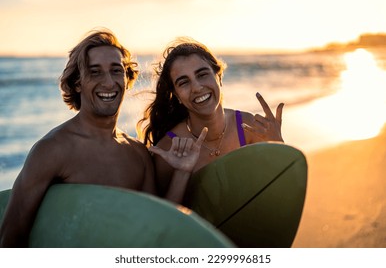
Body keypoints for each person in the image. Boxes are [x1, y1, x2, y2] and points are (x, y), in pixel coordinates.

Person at [0, 29, 201, 247]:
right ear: (78, 82)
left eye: (116, 71)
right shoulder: (52, 150)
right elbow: (11, 236)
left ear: (127, 78)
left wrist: (182, 172)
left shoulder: (137, 154)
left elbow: (154, 228)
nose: (108, 82)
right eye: (95, 72)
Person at [137, 37, 284, 199]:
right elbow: (167, 218)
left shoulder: (248, 127)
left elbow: (279, 193)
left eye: (202, 74)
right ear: (177, 95)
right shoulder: (168, 149)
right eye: (184, 82)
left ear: (219, 77)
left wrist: (279, 145)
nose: (197, 87)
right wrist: (182, 172)